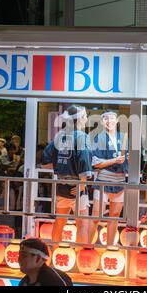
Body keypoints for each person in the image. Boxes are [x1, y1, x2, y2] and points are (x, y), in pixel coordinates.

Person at [42, 105, 92, 244]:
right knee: (82, 224)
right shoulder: (82, 137)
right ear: (81, 119)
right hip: (78, 187)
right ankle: (82, 262)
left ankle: (55, 254)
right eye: (86, 116)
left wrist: (61, 165)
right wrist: (82, 184)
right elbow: (84, 160)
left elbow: (45, 163)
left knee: (59, 223)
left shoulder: (60, 136)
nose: (87, 118)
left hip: (61, 187)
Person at [88, 110, 128, 245]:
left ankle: (110, 247)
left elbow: (130, 159)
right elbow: (96, 163)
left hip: (120, 181)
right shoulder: (98, 138)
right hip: (103, 181)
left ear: (117, 121)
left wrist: (127, 158)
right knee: (95, 216)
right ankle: (88, 246)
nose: (109, 121)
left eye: (112, 118)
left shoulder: (124, 137)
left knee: (114, 217)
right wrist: (115, 160)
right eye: (106, 119)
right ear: (102, 122)